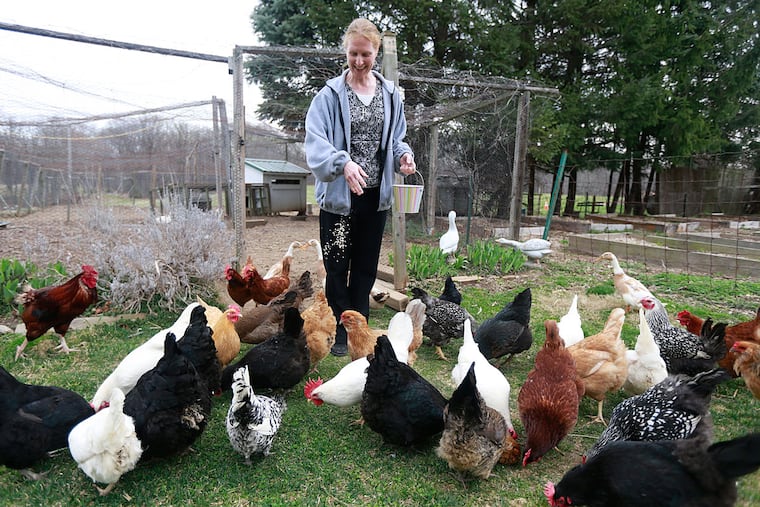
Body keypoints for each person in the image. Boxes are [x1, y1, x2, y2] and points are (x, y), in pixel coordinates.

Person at [305, 18, 416, 357]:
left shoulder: (391, 95)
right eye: (353, 53)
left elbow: (396, 139)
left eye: (365, 54)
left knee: (366, 266)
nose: (358, 60)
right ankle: (340, 329)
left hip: (374, 197)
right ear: (346, 51)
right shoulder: (328, 96)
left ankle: (360, 326)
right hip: (340, 198)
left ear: (376, 52)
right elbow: (315, 141)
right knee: (338, 265)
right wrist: (344, 163)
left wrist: (405, 156)